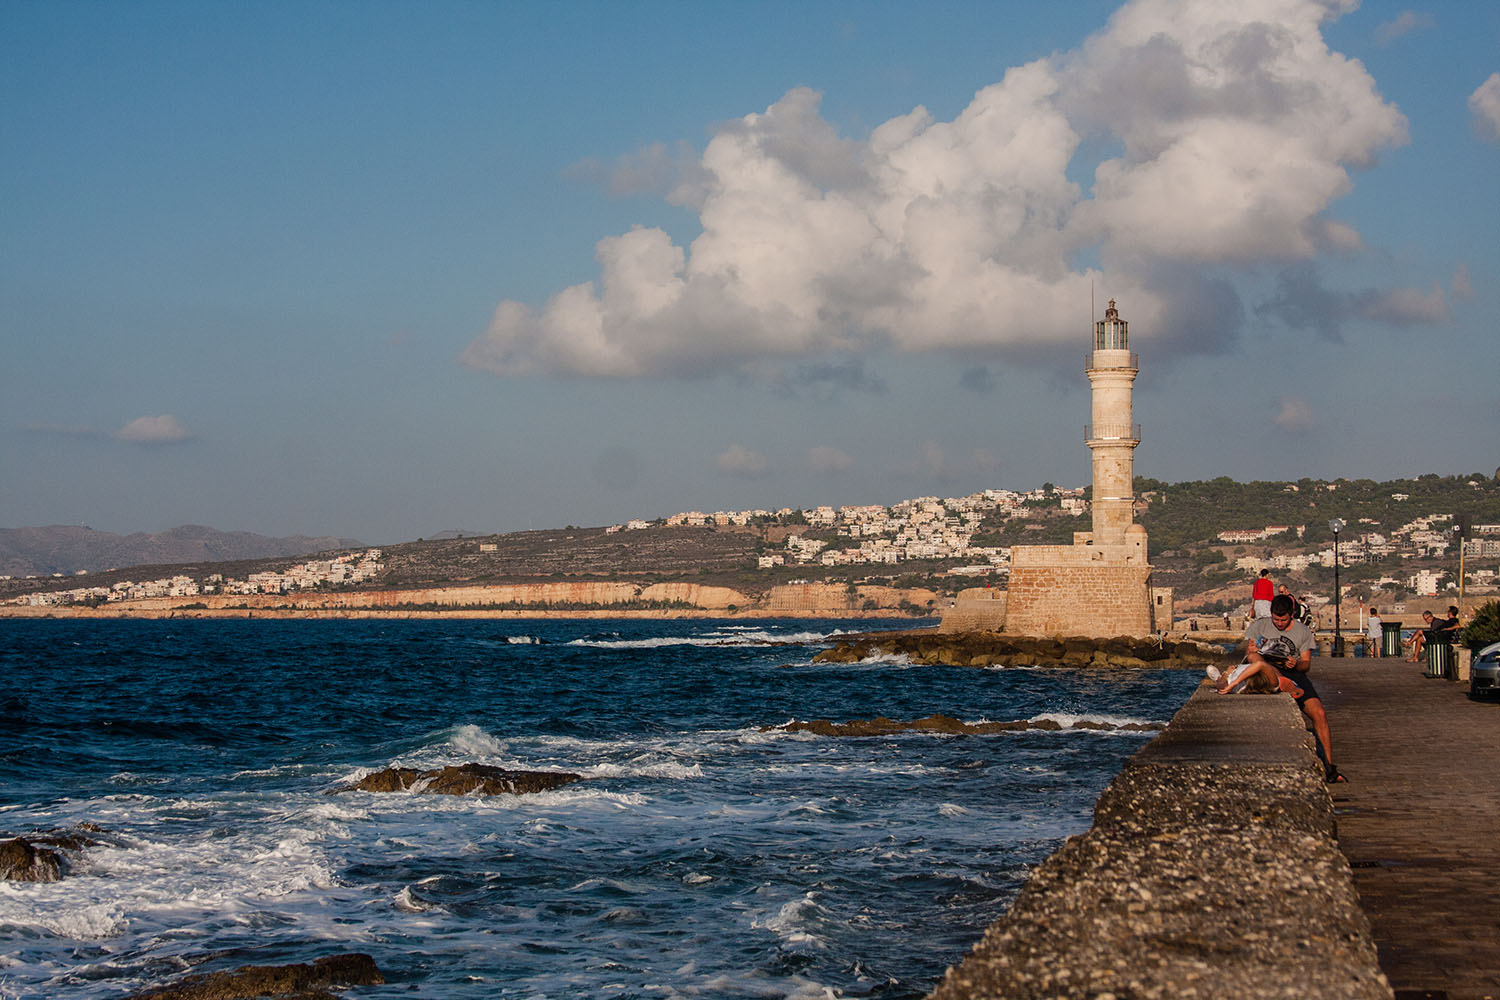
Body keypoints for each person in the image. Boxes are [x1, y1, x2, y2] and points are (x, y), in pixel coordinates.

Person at [1243, 594, 1344, 783]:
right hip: (1266, 673)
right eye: (1275, 619)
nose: (1279, 623)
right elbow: (1248, 654)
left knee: (1319, 714)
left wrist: (1295, 664)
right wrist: (1252, 649)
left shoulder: (1303, 631)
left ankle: (1330, 768)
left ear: (1291, 615)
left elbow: (1306, 665)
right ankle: (1281, 681)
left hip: (1294, 675)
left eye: (1283, 619)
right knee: (1256, 659)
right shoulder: (1260, 626)